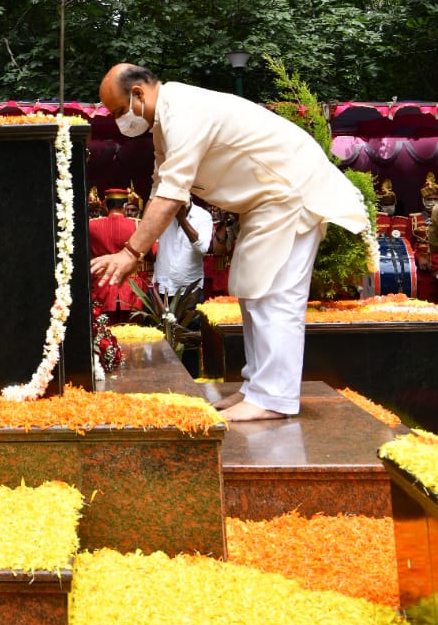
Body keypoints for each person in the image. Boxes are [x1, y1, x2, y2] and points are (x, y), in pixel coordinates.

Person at [92, 63, 369, 421]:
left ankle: (275, 398)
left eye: (118, 110)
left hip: (290, 191)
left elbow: (172, 194)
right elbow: (161, 185)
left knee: (276, 294)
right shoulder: (165, 121)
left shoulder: (183, 112)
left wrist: (131, 252)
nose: (119, 121)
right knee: (254, 289)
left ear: (139, 93)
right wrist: (131, 247)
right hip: (267, 202)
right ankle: (257, 388)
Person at [88, 186, 149, 319]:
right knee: (132, 332)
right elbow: (154, 252)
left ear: (105, 205)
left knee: (103, 330)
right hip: (131, 286)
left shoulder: (91, 225)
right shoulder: (137, 225)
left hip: (102, 284)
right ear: (125, 205)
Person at [155, 198, 214, 302]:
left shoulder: (203, 216)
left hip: (189, 289)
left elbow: (203, 248)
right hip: (163, 286)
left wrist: (182, 220)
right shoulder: (162, 214)